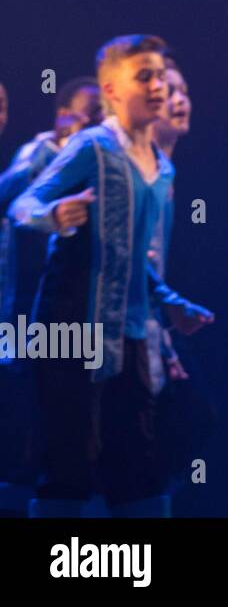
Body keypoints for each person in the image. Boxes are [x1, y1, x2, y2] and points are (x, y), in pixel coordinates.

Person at [9, 35, 213, 517]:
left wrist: (170, 302)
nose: (158, 85)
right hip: (70, 324)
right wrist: (54, 215)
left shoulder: (161, 170)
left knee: (137, 466)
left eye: (161, 75)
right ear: (112, 89)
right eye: (144, 75)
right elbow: (24, 204)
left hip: (130, 333)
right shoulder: (93, 146)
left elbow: (134, 258)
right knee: (67, 462)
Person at [0, 76, 101, 506]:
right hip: (25, 306)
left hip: (60, 308)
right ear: (64, 119)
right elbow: (10, 198)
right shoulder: (40, 153)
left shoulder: (100, 157)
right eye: (91, 116)